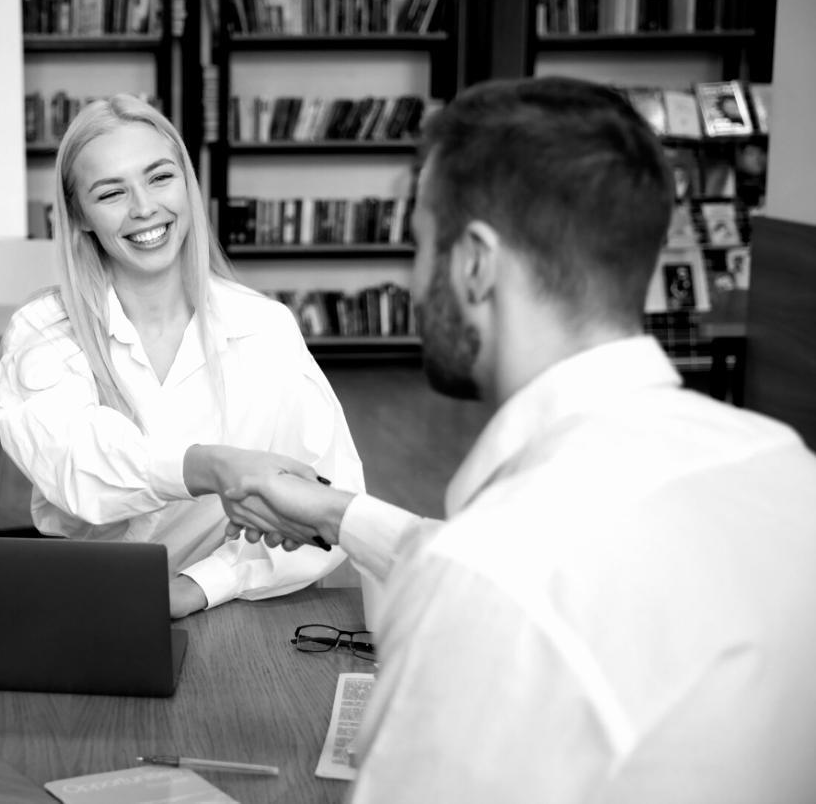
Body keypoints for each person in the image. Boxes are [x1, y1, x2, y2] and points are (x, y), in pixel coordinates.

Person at [219, 77, 816, 802]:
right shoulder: (782, 463)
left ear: (474, 263)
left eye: (420, 244)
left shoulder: (493, 576)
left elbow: (498, 581)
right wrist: (332, 511)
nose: (411, 279)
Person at [0, 94, 365, 619]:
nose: (144, 207)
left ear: (189, 186)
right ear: (78, 215)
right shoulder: (44, 332)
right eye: (111, 192)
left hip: (229, 607)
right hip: (86, 606)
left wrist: (199, 586)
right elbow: (74, 464)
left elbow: (330, 503)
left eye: (160, 177)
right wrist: (212, 466)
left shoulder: (264, 327)